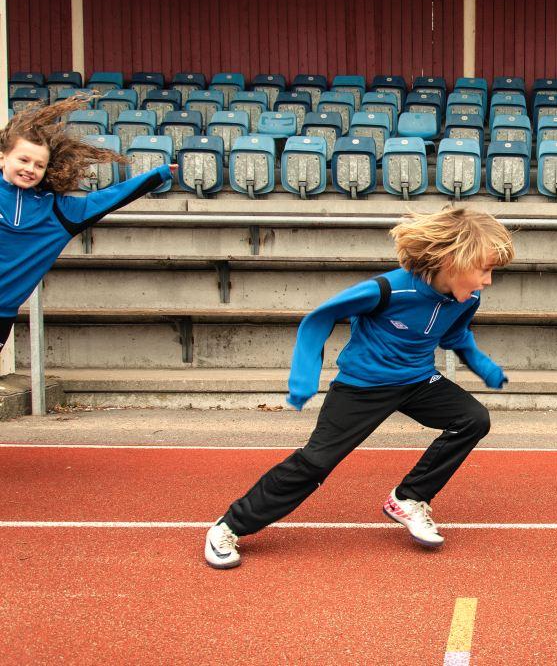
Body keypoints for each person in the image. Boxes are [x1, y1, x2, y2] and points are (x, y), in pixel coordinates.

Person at [204, 206, 515, 569]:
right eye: (484, 269)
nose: (488, 281)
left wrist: (482, 366)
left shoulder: (469, 298)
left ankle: (409, 498)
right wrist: (304, 377)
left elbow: (456, 335)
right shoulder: (388, 289)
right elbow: (318, 318)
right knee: (316, 463)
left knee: (473, 418)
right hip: (362, 386)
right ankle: (229, 527)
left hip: (416, 380)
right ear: (452, 260)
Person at [0, 94, 177, 352]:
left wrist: (157, 175)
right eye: (23, 160)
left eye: (39, 165)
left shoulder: (59, 213)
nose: (31, 169)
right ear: (3, 158)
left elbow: (108, 199)